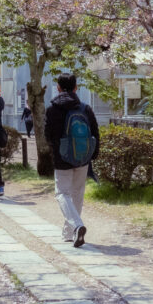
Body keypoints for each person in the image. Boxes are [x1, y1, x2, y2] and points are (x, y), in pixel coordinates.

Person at [44, 73, 100, 248]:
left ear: (58, 88)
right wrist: (93, 154)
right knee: (77, 194)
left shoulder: (52, 109)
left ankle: (75, 226)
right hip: (83, 157)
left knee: (62, 193)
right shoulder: (85, 108)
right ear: (76, 88)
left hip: (62, 157)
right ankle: (69, 233)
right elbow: (95, 133)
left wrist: (56, 148)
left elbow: (48, 135)